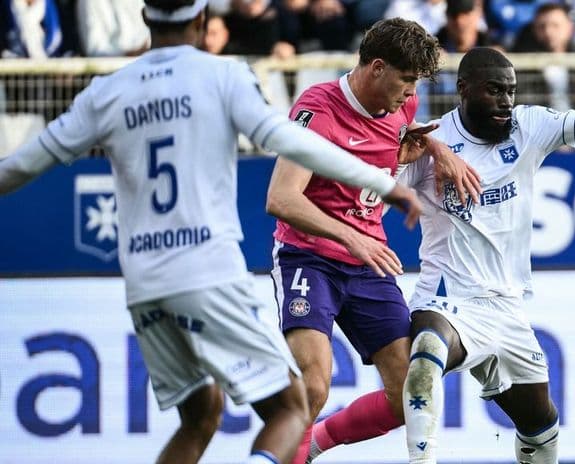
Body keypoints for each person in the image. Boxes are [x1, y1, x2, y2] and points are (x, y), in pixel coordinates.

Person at [0, 1, 424, 463]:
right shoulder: (224, 77)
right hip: (207, 269)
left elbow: (24, 163)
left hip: (144, 285)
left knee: (201, 414)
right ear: (202, 22)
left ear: (145, 18)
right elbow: (288, 143)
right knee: (291, 407)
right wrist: (385, 184)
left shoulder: (108, 90)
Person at [310, 34, 575, 464]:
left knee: (541, 429)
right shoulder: (431, 144)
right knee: (422, 365)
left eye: (510, 90)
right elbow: (373, 210)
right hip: (447, 300)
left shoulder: (530, 126)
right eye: (494, 90)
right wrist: (399, 162)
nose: (505, 101)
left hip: (507, 309)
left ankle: (313, 442)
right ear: (464, 90)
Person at [264, 17, 481, 464]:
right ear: (376, 68)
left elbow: (401, 134)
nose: (409, 93)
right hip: (309, 258)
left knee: (410, 391)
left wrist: (439, 151)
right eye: (405, 80)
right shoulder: (318, 111)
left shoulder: (402, 104)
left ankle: (314, 445)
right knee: (314, 384)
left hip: (367, 263)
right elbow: (281, 198)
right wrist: (351, 237)